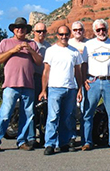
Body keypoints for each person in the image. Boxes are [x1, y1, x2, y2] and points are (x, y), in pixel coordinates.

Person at [0, 17, 43, 152]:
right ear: (13, 29)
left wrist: (29, 50)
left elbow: (38, 62)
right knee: (6, 113)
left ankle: (22, 141)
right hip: (11, 84)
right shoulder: (5, 42)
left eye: (23, 28)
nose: (20, 30)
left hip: (28, 84)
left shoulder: (32, 44)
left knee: (28, 114)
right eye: (18, 27)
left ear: (26, 30)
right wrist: (13, 50)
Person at [39, 25, 85, 155]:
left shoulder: (74, 51)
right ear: (57, 35)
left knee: (67, 117)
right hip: (55, 88)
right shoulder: (51, 51)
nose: (64, 37)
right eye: (61, 34)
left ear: (69, 35)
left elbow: (78, 72)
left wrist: (80, 89)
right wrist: (43, 90)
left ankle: (64, 142)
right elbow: (46, 71)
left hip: (70, 89)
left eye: (66, 34)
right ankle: (50, 144)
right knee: (53, 117)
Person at [81, 19, 110, 151]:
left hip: (109, 81)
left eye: (103, 29)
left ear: (107, 29)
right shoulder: (89, 45)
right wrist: (83, 80)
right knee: (88, 113)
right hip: (93, 81)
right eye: (98, 30)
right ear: (94, 31)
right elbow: (83, 64)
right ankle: (86, 142)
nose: (101, 32)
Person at [67, 20, 88, 150]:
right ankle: (71, 137)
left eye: (80, 29)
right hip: (71, 81)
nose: (77, 32)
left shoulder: (89, 44)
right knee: (71, 111)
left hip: (86, 81)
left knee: (85, 110)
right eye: (75, 30)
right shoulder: (67, 44)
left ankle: (86, 138)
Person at [31, 22, 51, 145]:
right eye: (38, 31)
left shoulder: (49, 46)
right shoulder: (30, 44)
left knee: (46, 109)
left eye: (43, 31)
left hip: (47, 80)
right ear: (34, 32)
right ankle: (31, 137)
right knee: (31, 109)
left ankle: (44, 136)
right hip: (32, 79)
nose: (41, 34)